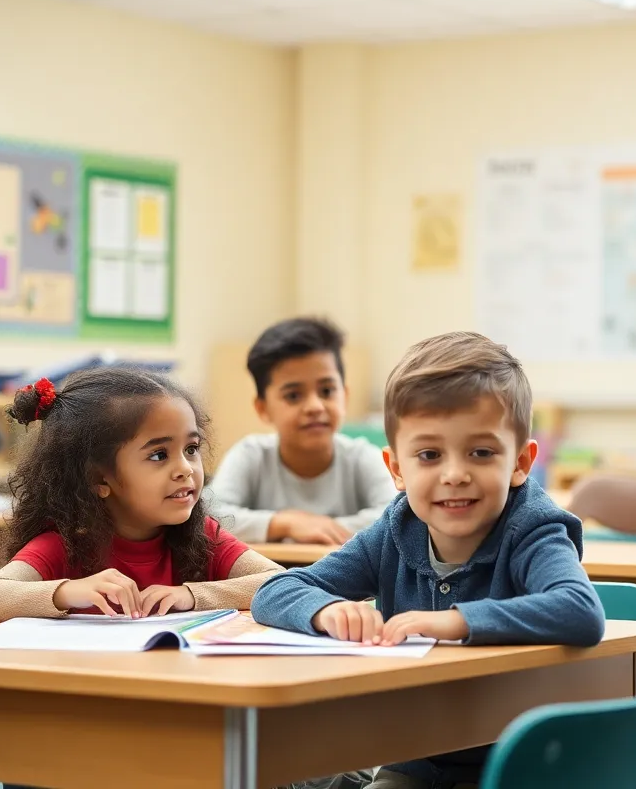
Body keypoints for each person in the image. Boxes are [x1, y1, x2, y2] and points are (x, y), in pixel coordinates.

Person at [253, 331, 605, 789]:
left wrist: (457, 622)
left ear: (520, 462)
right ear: (397, 469)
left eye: (481, 452)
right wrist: (323, 609)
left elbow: (580, 610)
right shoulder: (396, 532)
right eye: (429, 455)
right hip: (415, 757)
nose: (455, 474)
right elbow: (274, 591)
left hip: (520, 763)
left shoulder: (532, 530)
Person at [0, 368, 283, 621]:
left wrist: (193, 595)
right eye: (159, 455)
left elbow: (280, 583)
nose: (185, 468)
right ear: (98, 478)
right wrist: (70, 592)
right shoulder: (64, 545)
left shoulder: (203, 537)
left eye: (191, 448)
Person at [208, 317, 397, 544]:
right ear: (263, 408)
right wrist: (285, 523)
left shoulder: (362, 457)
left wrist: (319, 528)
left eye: (326, 391)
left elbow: (396, 515)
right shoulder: (251, 455)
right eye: (294, 396)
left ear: (344, 397)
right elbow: (207, 515)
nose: (315, 407)